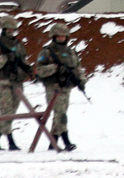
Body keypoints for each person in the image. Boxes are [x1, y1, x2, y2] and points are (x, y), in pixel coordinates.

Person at [35, 22, 86, 151]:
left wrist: (81, 81)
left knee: (60, 114)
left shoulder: (71, 52)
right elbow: (39, 70)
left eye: (63, 36)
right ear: (53, 37)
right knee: (60, 114)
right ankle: (66, 141)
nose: (61, 39)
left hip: (66, 87)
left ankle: (53, 143)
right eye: (59, 36)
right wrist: (55, 68)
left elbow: (78, 68)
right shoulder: (47, 52)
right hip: (53, 87)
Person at [0, 14, 32, 150]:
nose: (11, 32)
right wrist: (5, 58)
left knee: (12, 112)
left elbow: (23, 60)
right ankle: (11, 142)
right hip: (3, 82)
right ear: (3, 30)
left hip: (17, 82)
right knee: (7, 112)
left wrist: (28, 69)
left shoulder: (18, 45)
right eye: (8, 30)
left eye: (13, 30)